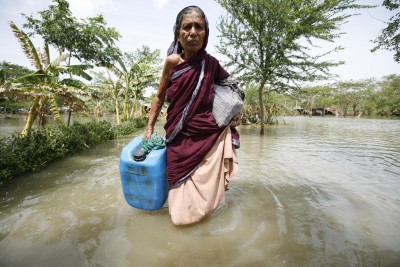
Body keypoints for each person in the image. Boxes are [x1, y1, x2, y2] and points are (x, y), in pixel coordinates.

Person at [144, 5, 241, 225]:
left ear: (206, 33)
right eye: (187, 27)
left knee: (205, 186)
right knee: (177, 182)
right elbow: (159, 97)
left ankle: (202, 218)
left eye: (199, 27)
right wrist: (149, 127)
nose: (193, 32)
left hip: (207, 135)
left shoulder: (211, 64)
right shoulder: (172, 62)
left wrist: (237, 113)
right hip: (178, 138)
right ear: (178, 32)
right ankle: (182, 220)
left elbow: (233, 88)